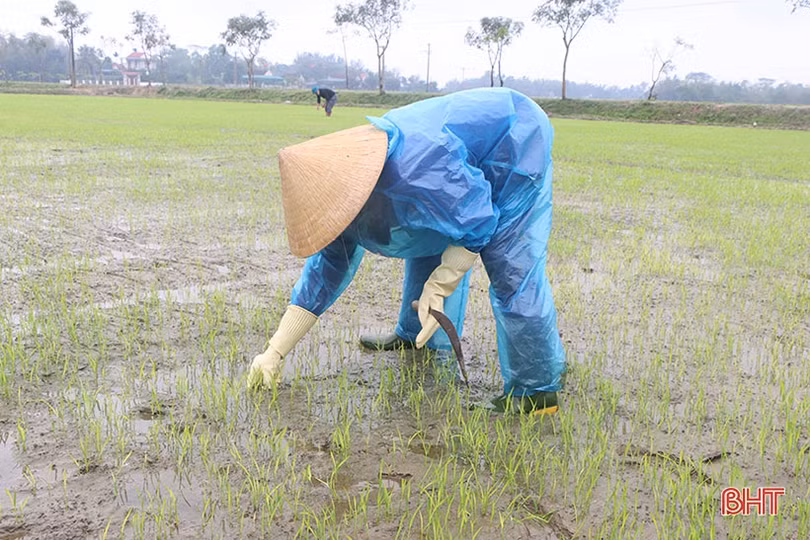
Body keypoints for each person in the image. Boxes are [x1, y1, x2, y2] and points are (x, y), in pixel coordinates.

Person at [251, 87, 566, 415]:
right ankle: (413, 333)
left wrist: (442, 282)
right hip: (447, 161)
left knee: (510, 264)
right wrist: (274, 352)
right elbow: (324, 272)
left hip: (513, 140)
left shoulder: (416, 170)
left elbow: (478, 219)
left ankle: (536, 390)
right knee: (425, 229)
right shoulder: (343, 196)